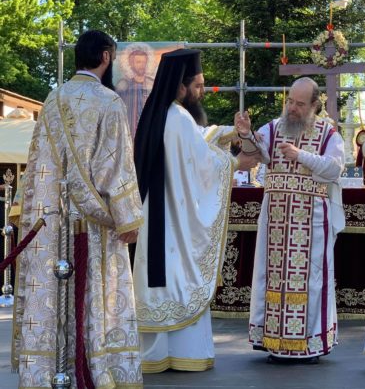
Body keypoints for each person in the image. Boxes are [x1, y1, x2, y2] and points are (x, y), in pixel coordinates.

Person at [13, 30, 144, 387]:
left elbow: (37, 161)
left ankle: (51, 371)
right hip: (93, 223)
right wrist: (128, 217)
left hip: (50, 221)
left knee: (56, 296)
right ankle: (92, 369)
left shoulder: (53, 98)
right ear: (105, 57)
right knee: (94, 297)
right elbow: (114, 166)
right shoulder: (109, 102)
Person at [132, 49, 260, 372]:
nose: (202, 91)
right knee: (179, 278)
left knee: (163, 280)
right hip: (173, 220)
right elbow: (201, 162)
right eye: (198, 85)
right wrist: (235, 164)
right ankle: (184, 352)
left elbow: (197, 141)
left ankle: (157, 355)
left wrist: (230, 131)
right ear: (180, 86)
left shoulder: (162, 113)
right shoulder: (177, 118)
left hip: (160, 215)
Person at [248, 77, 345, 363]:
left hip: (311, 223)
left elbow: (334, 169)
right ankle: (273, 341)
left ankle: (309, 345)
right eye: (290, 101)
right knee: (271, 278)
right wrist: (245, 135)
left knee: (311, 282)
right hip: (276, 223)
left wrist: (300, 155)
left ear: (315, 105)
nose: (292, 108)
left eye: (300, 104)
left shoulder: (329, 134)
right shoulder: (272, 128)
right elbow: (257, 153)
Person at [116, 43, 156, 139]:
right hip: (128, 133)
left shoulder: (152, 83)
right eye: (138, 62)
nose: (142, 65)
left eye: (144, 62)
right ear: (131, 64)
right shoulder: (123, 84)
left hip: (149, 132)